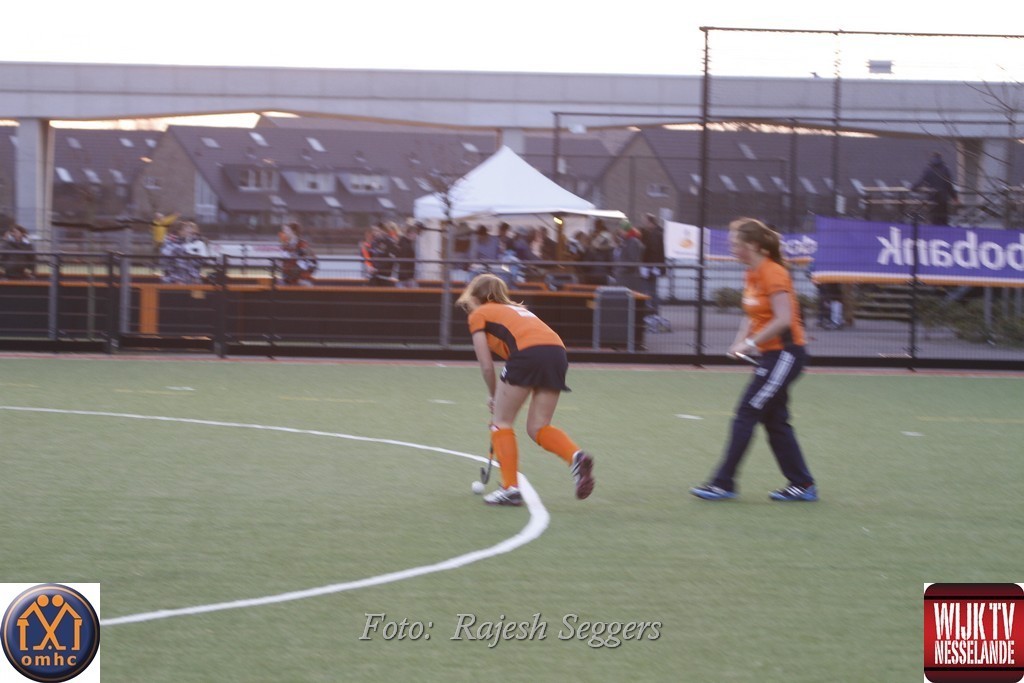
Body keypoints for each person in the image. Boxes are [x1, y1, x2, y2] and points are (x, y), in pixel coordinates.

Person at [690, 217, 817, 502]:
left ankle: (723, 483)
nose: (732, 248)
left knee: (747, 411)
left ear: (755, 246)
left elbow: (783, 319)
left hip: (786, 354)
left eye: (736, 244)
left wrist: (750, 344)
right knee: (775, 420)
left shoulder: (774, 272)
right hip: (771, 355)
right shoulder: (752, 273)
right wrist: (740, 342)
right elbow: (752, 315)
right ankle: (802, 484)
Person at [456, 273, 595, 507]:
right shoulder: (516, 311)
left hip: (528, 353)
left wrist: (493, 395)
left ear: (475, 295)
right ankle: (576, 457)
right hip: (556, 353)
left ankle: (510, 489)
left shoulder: (479, 314)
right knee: (538, 426)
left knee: (501, 422)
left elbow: (486, 365)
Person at [912, 152, 959, 226]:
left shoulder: (928, 169)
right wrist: (955, 197)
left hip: (932, 198)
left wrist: (913, 187)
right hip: (943, 199)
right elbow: (949, 185)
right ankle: (943, 231)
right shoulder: (945, 169)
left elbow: (921, 181)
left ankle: (934, 230)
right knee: (943, 218)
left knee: (933, 219)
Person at [278, 221, 317, 286]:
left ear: (293, 232)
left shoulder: (302, 245)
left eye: (287, 230)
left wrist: (303, 276)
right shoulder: (285, 246)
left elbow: (312, 262)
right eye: (284, 230)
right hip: (287, 280)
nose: (284, 233)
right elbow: (284, 263)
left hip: (300, 281)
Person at [394, 222, 420, 287]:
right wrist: (409, 276)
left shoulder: (403, 243)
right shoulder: (406, 245)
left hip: (403, 275)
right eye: (414, 234)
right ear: (410, 234)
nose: (415, 236)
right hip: (406, 276)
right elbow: (405, 261)